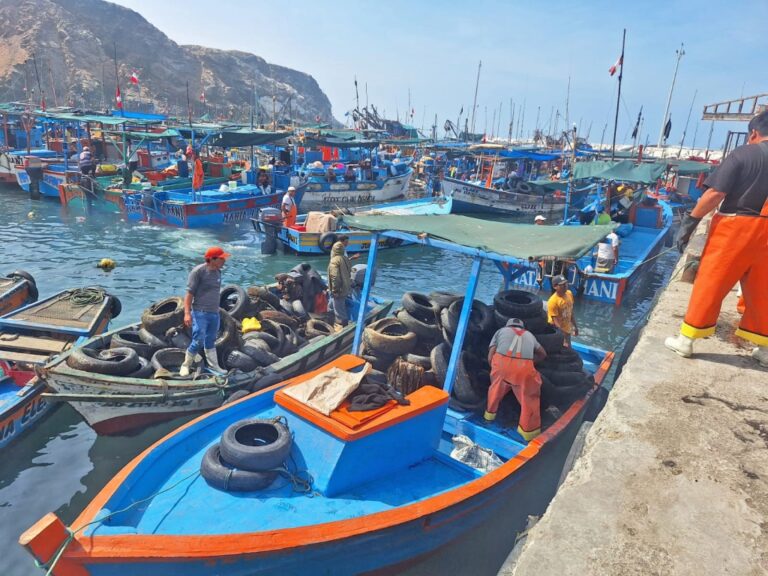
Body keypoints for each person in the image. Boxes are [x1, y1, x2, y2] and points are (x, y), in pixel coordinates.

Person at [665, 110, 768, 366]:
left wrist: (689, 223)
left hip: (736, 227)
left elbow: (714, 194)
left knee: (711, 281)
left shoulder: (742, 154)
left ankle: (687, 340)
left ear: (754, 133)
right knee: (763, 290)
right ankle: (765, 349)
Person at [485, 317, 547, 441]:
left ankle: (488, 418)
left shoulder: (500, 331)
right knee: (529, 399)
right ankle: (529, 434)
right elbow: (543, 354)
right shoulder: (530, 335)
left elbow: (491, 353)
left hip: (501, 365)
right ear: (522, 328)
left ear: (508, 326)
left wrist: (494, 369)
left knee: (494, 391)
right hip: (523, 369)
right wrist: (530, 362)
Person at [180, 246, 230, 376]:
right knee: (198, 339)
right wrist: (187, 313)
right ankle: (186, 364)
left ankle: (214, 367)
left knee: (210, 340)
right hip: (200, 312)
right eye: (221, 258)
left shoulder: (218, 272)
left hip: (214, 312)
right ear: (212, 259)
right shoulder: (198, 272)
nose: (224, 260)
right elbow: (189, 294)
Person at [328, 234, 352, 330]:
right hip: (345, 287)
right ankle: (329, 323)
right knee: (330, 306)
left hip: (339, 290)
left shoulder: (334, 260)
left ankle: (345, 329)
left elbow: (335, 277)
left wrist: (335, 290)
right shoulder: (345, 259)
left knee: (339, 311)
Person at [547, 274, 578, 346]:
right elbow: (555, 322)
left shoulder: (569, 293)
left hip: (567, 330)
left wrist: (575, 327)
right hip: (556, 332)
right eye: (562, 285)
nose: (565, 286)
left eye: (565, 283)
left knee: (568, 350)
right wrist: (562, 339)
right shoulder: (552, 301)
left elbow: (571, 312)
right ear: (555, 286)